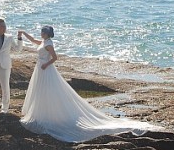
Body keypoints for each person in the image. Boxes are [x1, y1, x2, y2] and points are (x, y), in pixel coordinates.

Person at [17, 25, 162, 142]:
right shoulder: (43, 42)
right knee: (41, 90)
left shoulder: (48, 44)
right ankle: (41, 112)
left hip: (45, 69)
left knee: (48, 90)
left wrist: (46, 64)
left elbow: (55, 57)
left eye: (42, 32)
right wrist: (23, 33)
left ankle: (48, 114)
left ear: (46, 34)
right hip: (40, 69)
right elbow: (34, 41)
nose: (40, 34)